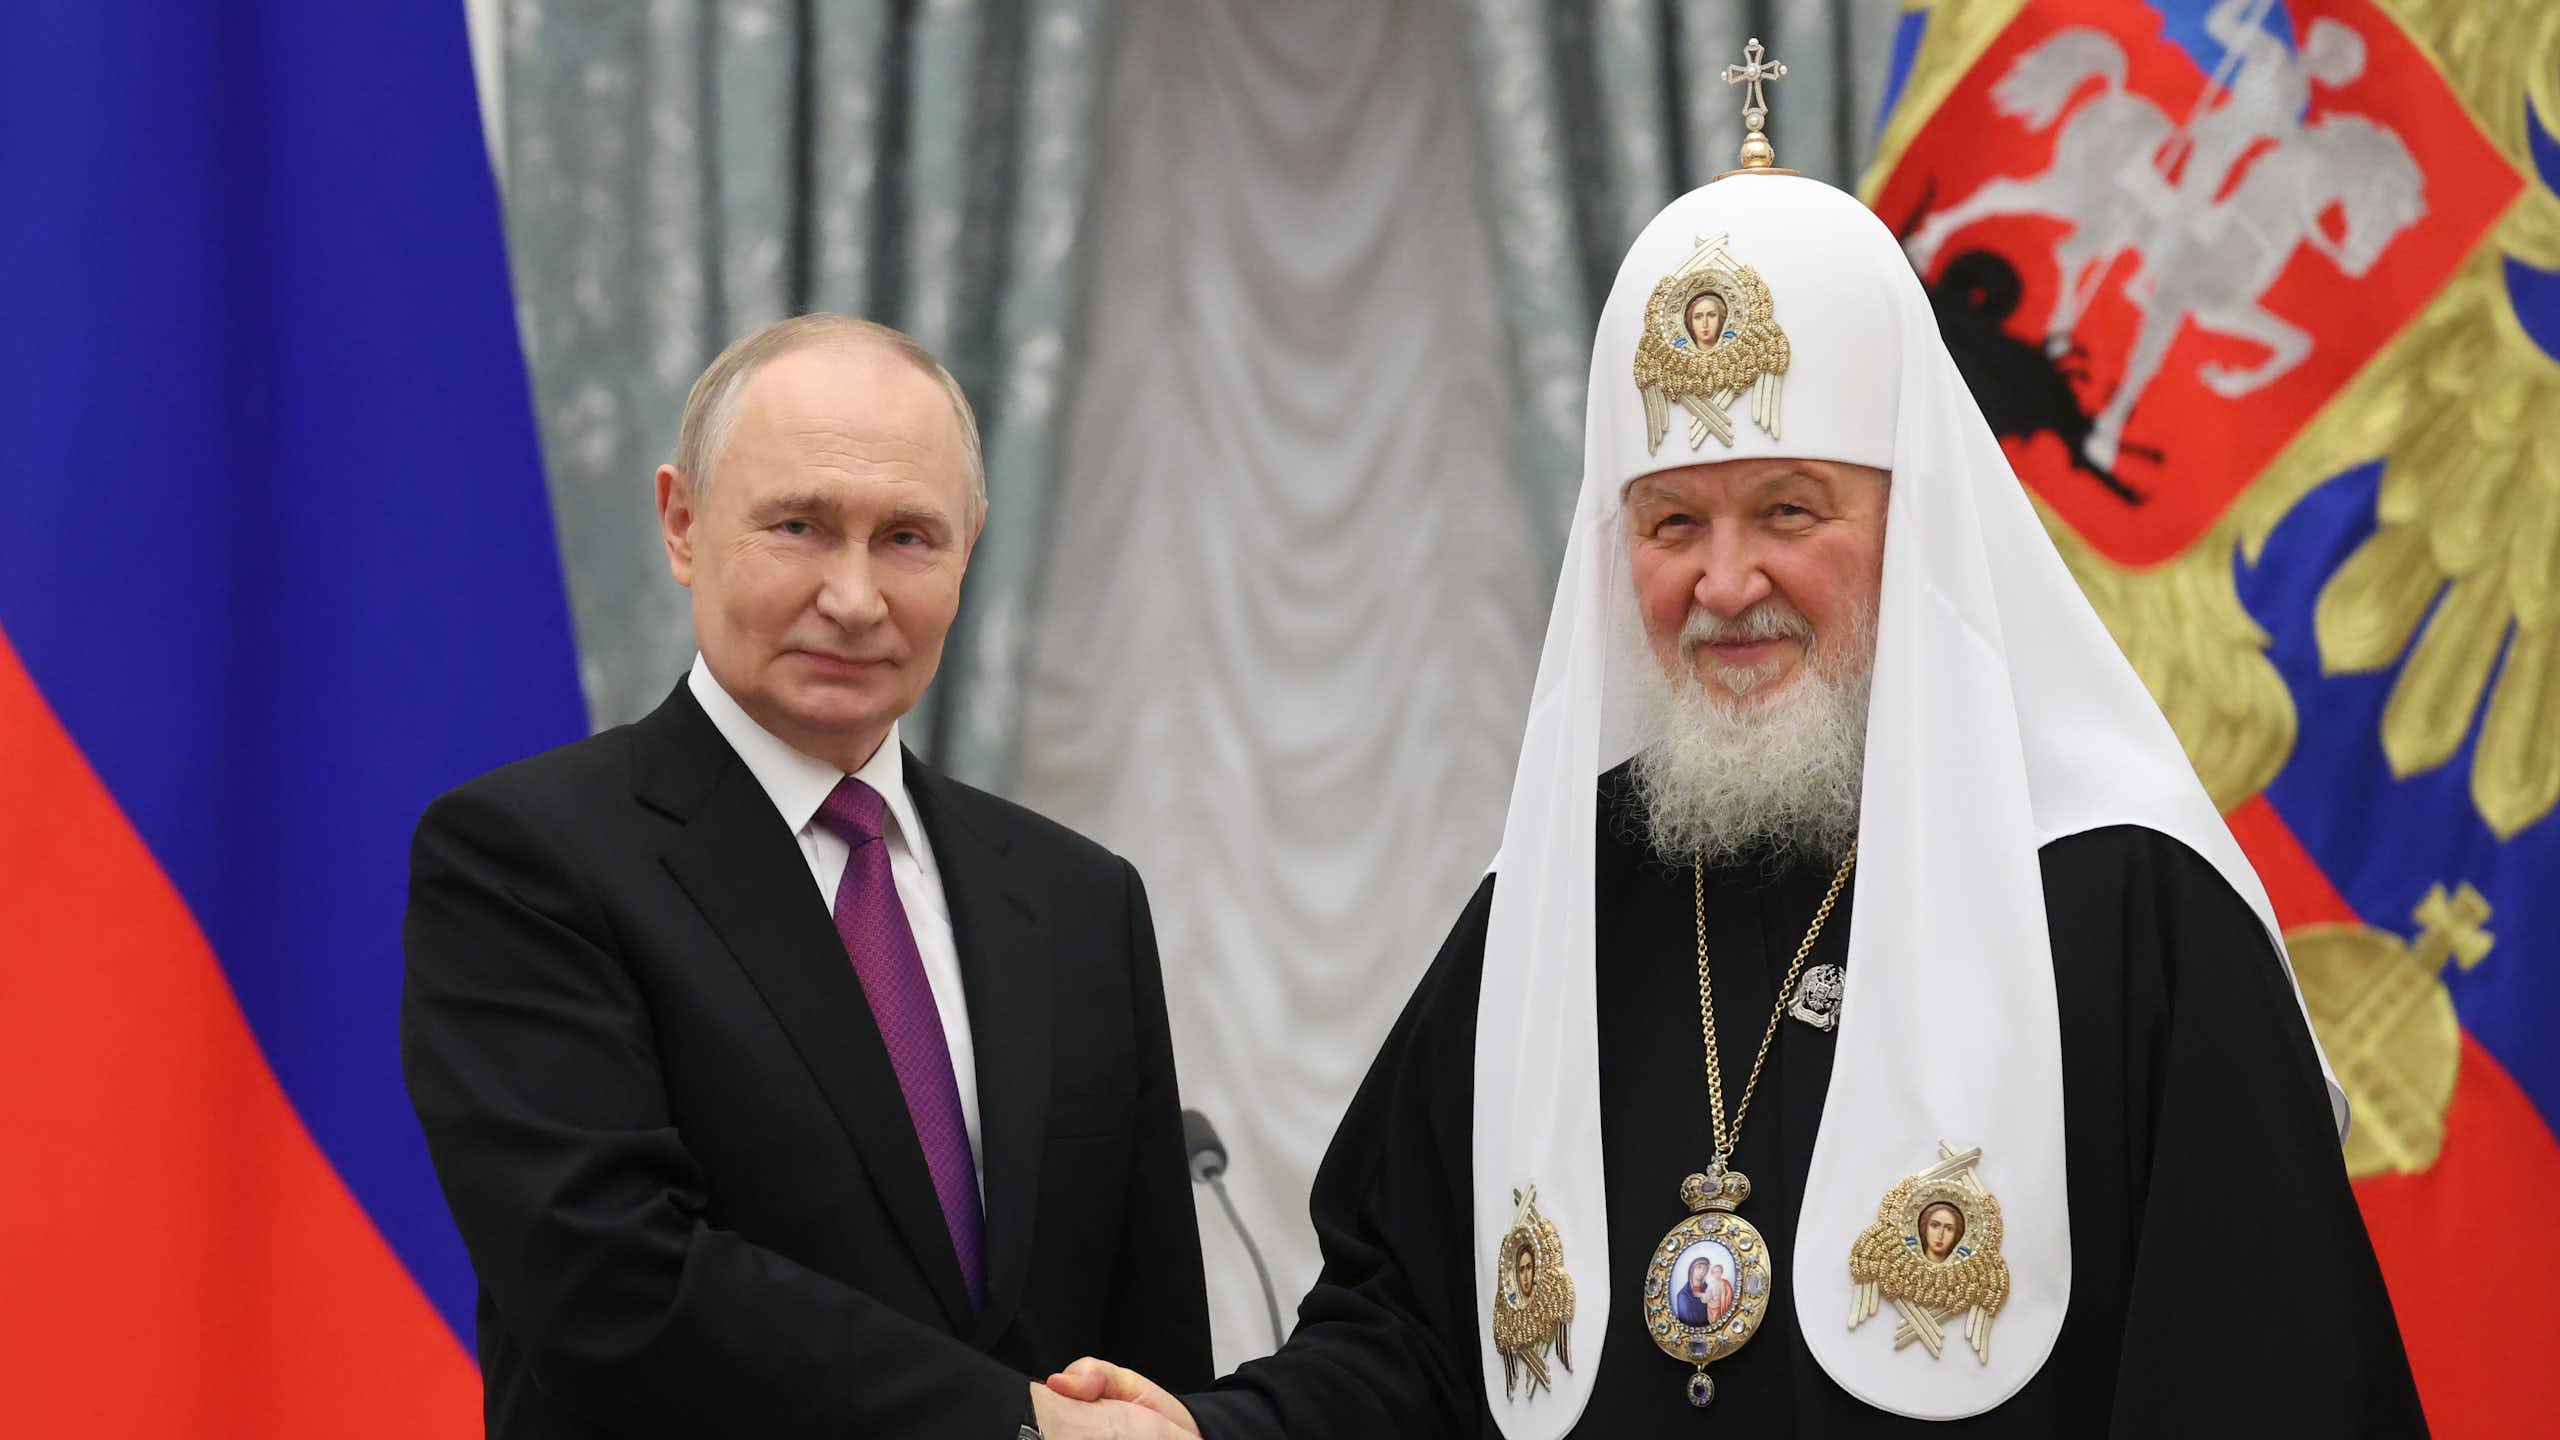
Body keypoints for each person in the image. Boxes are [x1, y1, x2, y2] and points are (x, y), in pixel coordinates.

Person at [1039, 114, 2420, 1438]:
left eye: (1789, 511)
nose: (1725, 580)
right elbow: (1406, 1340)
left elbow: (2260, 1373)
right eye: (1671, 523)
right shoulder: (1562, 896)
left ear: (1914, 522)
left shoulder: (2127, 903)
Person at [402, 314, 1210, 1439]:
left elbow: (1148, 1343)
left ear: (971, 547)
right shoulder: (526, 860)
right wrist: (1011, 1424)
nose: (854, 597)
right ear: (682, 524)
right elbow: (609, 1289)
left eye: (908, 539)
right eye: (799, 525)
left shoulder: (1081, 903)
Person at [1670, 1257, 1716, 1328]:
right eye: (1699, 1267)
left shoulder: (1709, 1290)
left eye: (1705, 1269)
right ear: (1692, 1269)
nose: (1702, 1271)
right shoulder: (1684, 1295)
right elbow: (1687, 1322)